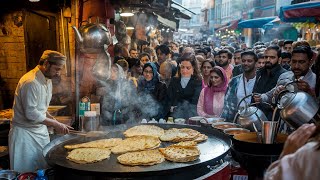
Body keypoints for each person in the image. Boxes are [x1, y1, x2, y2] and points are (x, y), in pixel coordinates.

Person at [9, 50, 72, 173]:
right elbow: (31, 113)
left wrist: (53, 119)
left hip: (40, 133)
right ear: (46, 64)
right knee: (26, 172)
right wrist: (56, 124)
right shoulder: (31, 82)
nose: (58, 73)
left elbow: (41, 107)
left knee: (42, 170)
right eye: (57, 69)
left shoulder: (46, 79)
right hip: (25, 135)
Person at [221, 50, 258, 122]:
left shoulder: (260, 81)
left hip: (255, 121)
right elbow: (227, 106)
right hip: (237, 120)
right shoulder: (234, 81)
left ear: (256, 63)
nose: (246, 63)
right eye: (243, 61)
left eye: (249, 61)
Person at [167, 54, 202, 119]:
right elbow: (169, 98)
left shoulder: (198, 82)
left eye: (188, 68)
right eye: (182, 67)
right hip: (173, 116)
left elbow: (195, 101)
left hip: (191, 116)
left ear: (193, 68)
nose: (184, 70)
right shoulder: (174, 80)